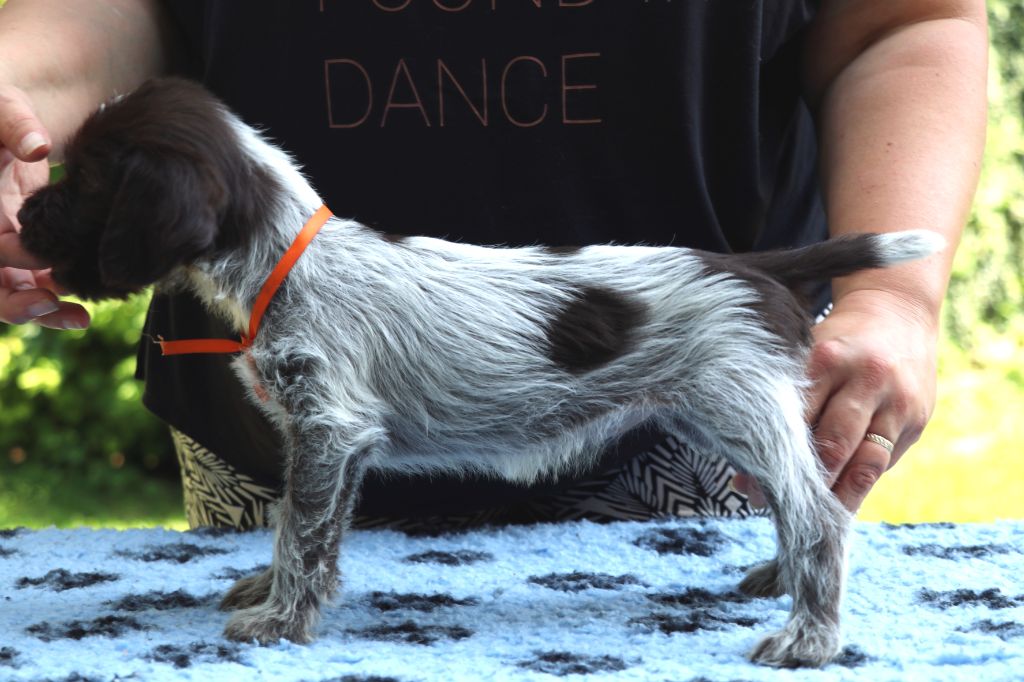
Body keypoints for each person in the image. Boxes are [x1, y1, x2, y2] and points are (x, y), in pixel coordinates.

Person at [0, 0, 987, 530]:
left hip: (672, 417)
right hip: (271, 446)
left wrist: (892, 294)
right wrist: (18, 100)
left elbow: (900, 21)